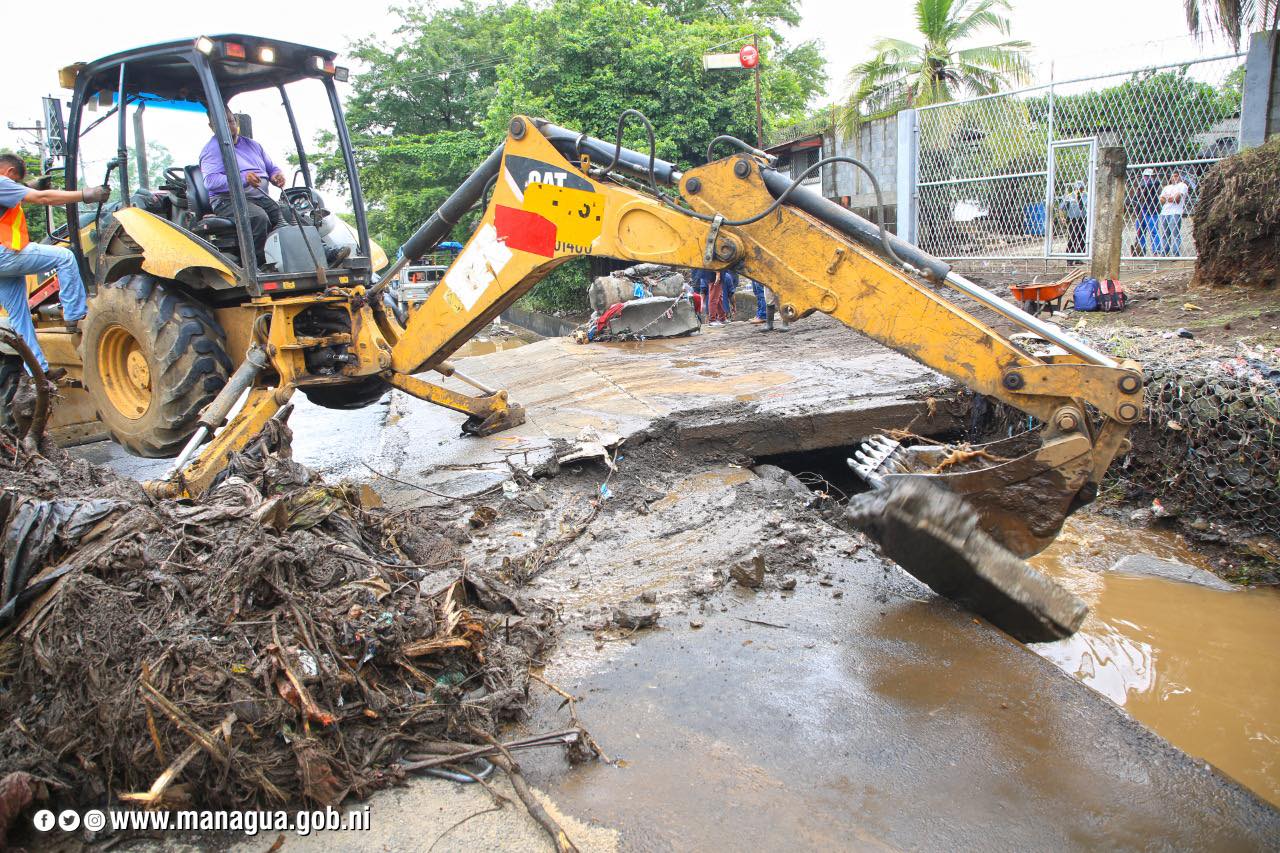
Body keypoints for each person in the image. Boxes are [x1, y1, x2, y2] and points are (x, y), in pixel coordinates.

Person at [0, 153, 109, 375]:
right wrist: (86, 194)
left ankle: (38, 373)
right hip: (4, 253)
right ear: (9, 172)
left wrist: (29, 185)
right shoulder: (2, 182)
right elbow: (43, 198)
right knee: (64, 257)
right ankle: (75, 313)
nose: (16, 187)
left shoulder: (5, 187)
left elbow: (18, 195)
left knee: (19, 317)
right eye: (16, 182)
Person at [198, 104, 286, 259]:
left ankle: (303, 257)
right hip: (227, 201)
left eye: (231, 121)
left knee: (290, 214)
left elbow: (271, 168)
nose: (229, 125)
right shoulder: (212, 150)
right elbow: (211, 181)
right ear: (212, 126)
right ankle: (259, 264)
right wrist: (243, 179)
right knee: (258, 218)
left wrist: (276, 175)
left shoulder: (253, 145)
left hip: (259, 198)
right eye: (222, 123)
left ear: (236, 121)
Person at [1130, 167, 1162, 256]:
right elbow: (1135, 199)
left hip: (1151, 212)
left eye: (1148, 176)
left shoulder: (1154, 185)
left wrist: (1143, 185)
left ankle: (1156, 251)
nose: (1146, 178)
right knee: (1140, 232)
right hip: (1141, 213)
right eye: (1145, 176)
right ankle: (1141, 251)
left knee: (1154, 231)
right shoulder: (1141, 187)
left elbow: (1155, 183)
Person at [1158, 170, 1190, 257]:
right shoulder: (1166, 187)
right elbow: (1161, 200)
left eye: (1175, 176)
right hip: (1164, 213)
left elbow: (1177, 199)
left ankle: (1176, 254)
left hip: (1176, 212)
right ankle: (1164, 253)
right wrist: (1171, 198)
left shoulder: (1183, 186)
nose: (1173, 178)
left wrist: (1167, 198)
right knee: (1165, 234)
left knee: (1175, 234)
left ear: (1179, 177)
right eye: (1172, 176)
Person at [1058, 180, 1088, 262]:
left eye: (1081, 188)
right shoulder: (1069, 196)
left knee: (1082, 239)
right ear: (1075, 188)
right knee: (1072, 238)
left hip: (1084, 219)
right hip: (1073, 220)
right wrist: (1062, 217)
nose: (1080, 190)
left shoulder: (1086, 195)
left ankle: (1079, 259)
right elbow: (1061, 208)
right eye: (1078, 188)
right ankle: (1070, 260)